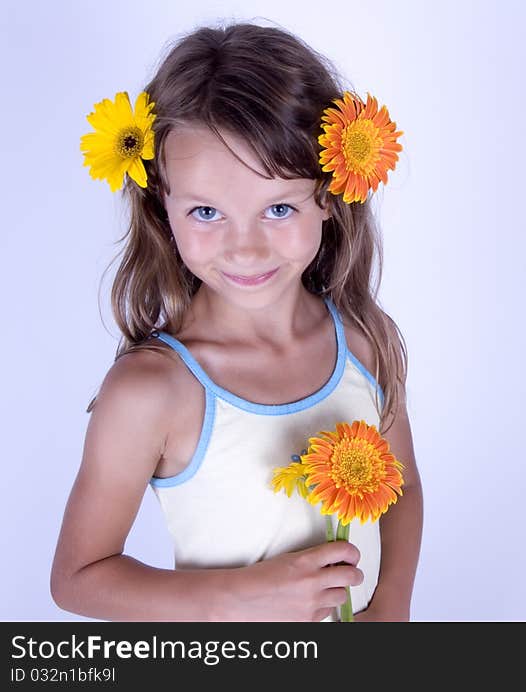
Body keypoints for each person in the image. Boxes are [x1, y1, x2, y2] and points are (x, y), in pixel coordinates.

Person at [50, 20, 422, 622]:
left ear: (328, 195)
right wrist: (246, 595)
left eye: (278, 207)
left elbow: (400, 494)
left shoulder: (361, 340)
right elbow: (78, 578)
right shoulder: (153, 392)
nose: (245, 249)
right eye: (206, 211)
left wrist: (392, 609)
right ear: (160, 205)